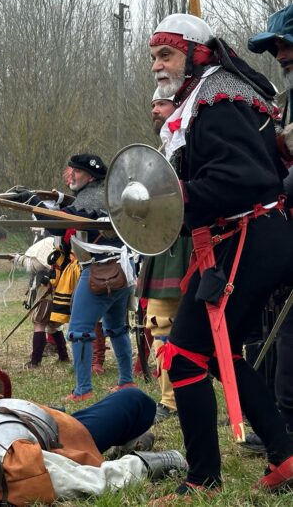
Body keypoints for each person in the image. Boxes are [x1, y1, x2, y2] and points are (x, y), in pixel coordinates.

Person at [149, 13, 293, 497]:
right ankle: (285, 455)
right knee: (221, 354)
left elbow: (243, 180)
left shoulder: (218, 98)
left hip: (249, 236)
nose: (157, 65)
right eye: (154, 57)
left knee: (186, 355)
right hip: (248, 238)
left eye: (165, 54)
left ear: (197, 53)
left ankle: (204, 479)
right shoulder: (210, 97)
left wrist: (172, 199)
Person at [0, 369, 186, 506]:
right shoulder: (24, 472)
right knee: (135, 401)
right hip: (66, 437)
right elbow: (97, 481)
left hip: (40, 418)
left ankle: (129, 438)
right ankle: (131, 442)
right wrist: (154, 462)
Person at [28, 154, 134, 402]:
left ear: (90, 176)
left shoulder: (92, 198)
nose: (71, 175)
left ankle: (83, 389)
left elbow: (57, 225)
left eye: (76, 171)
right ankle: (126, 381)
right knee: (117, 329)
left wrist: (33, 202)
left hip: (99, 272)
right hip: (121, 271)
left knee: (78, 331)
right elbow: (72, 212)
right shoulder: (104, 195)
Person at [246, 3, 293, 452]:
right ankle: (277, 419)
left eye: (285, 43)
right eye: (275, 45)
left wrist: (275, 193)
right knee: (276, 323)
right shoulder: (286, 97)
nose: (279, 52)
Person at [135, 88, 191, 424]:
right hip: (161, 246)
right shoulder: (163, 148)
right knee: (159, 325)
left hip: (189, 244)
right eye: (153, 103)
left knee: (211, 330)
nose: (155, 109)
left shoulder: (190, 144)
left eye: (162, 103)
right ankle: (169, 400)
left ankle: (234, 402)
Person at [12, 236, 71, 367]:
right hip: (60, 291)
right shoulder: (62, 246)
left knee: (39, 323)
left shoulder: (49, 246)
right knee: (53, 326)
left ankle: (35, 361)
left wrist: (18, 259)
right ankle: (63, 356)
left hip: (48, 291)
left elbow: (34, 264)